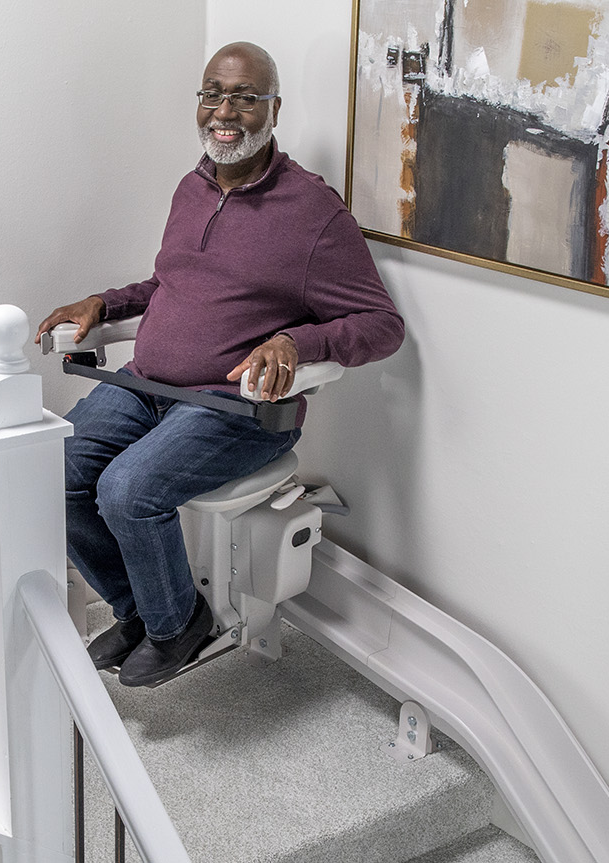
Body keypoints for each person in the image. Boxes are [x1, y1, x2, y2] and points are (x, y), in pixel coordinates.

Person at [35, 42, 404, 687]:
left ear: (274, 109)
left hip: (238, 409)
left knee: (126, 490)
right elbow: (171, 285)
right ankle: (140, 610)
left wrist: (299, 341)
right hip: (147, 387)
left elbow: (383, 326)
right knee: (52, 474)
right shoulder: (192, 187)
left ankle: (180, 625)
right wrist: (104, 302)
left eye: (244, 97)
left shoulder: (313, 212)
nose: (224, 111)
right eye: (212, 94)